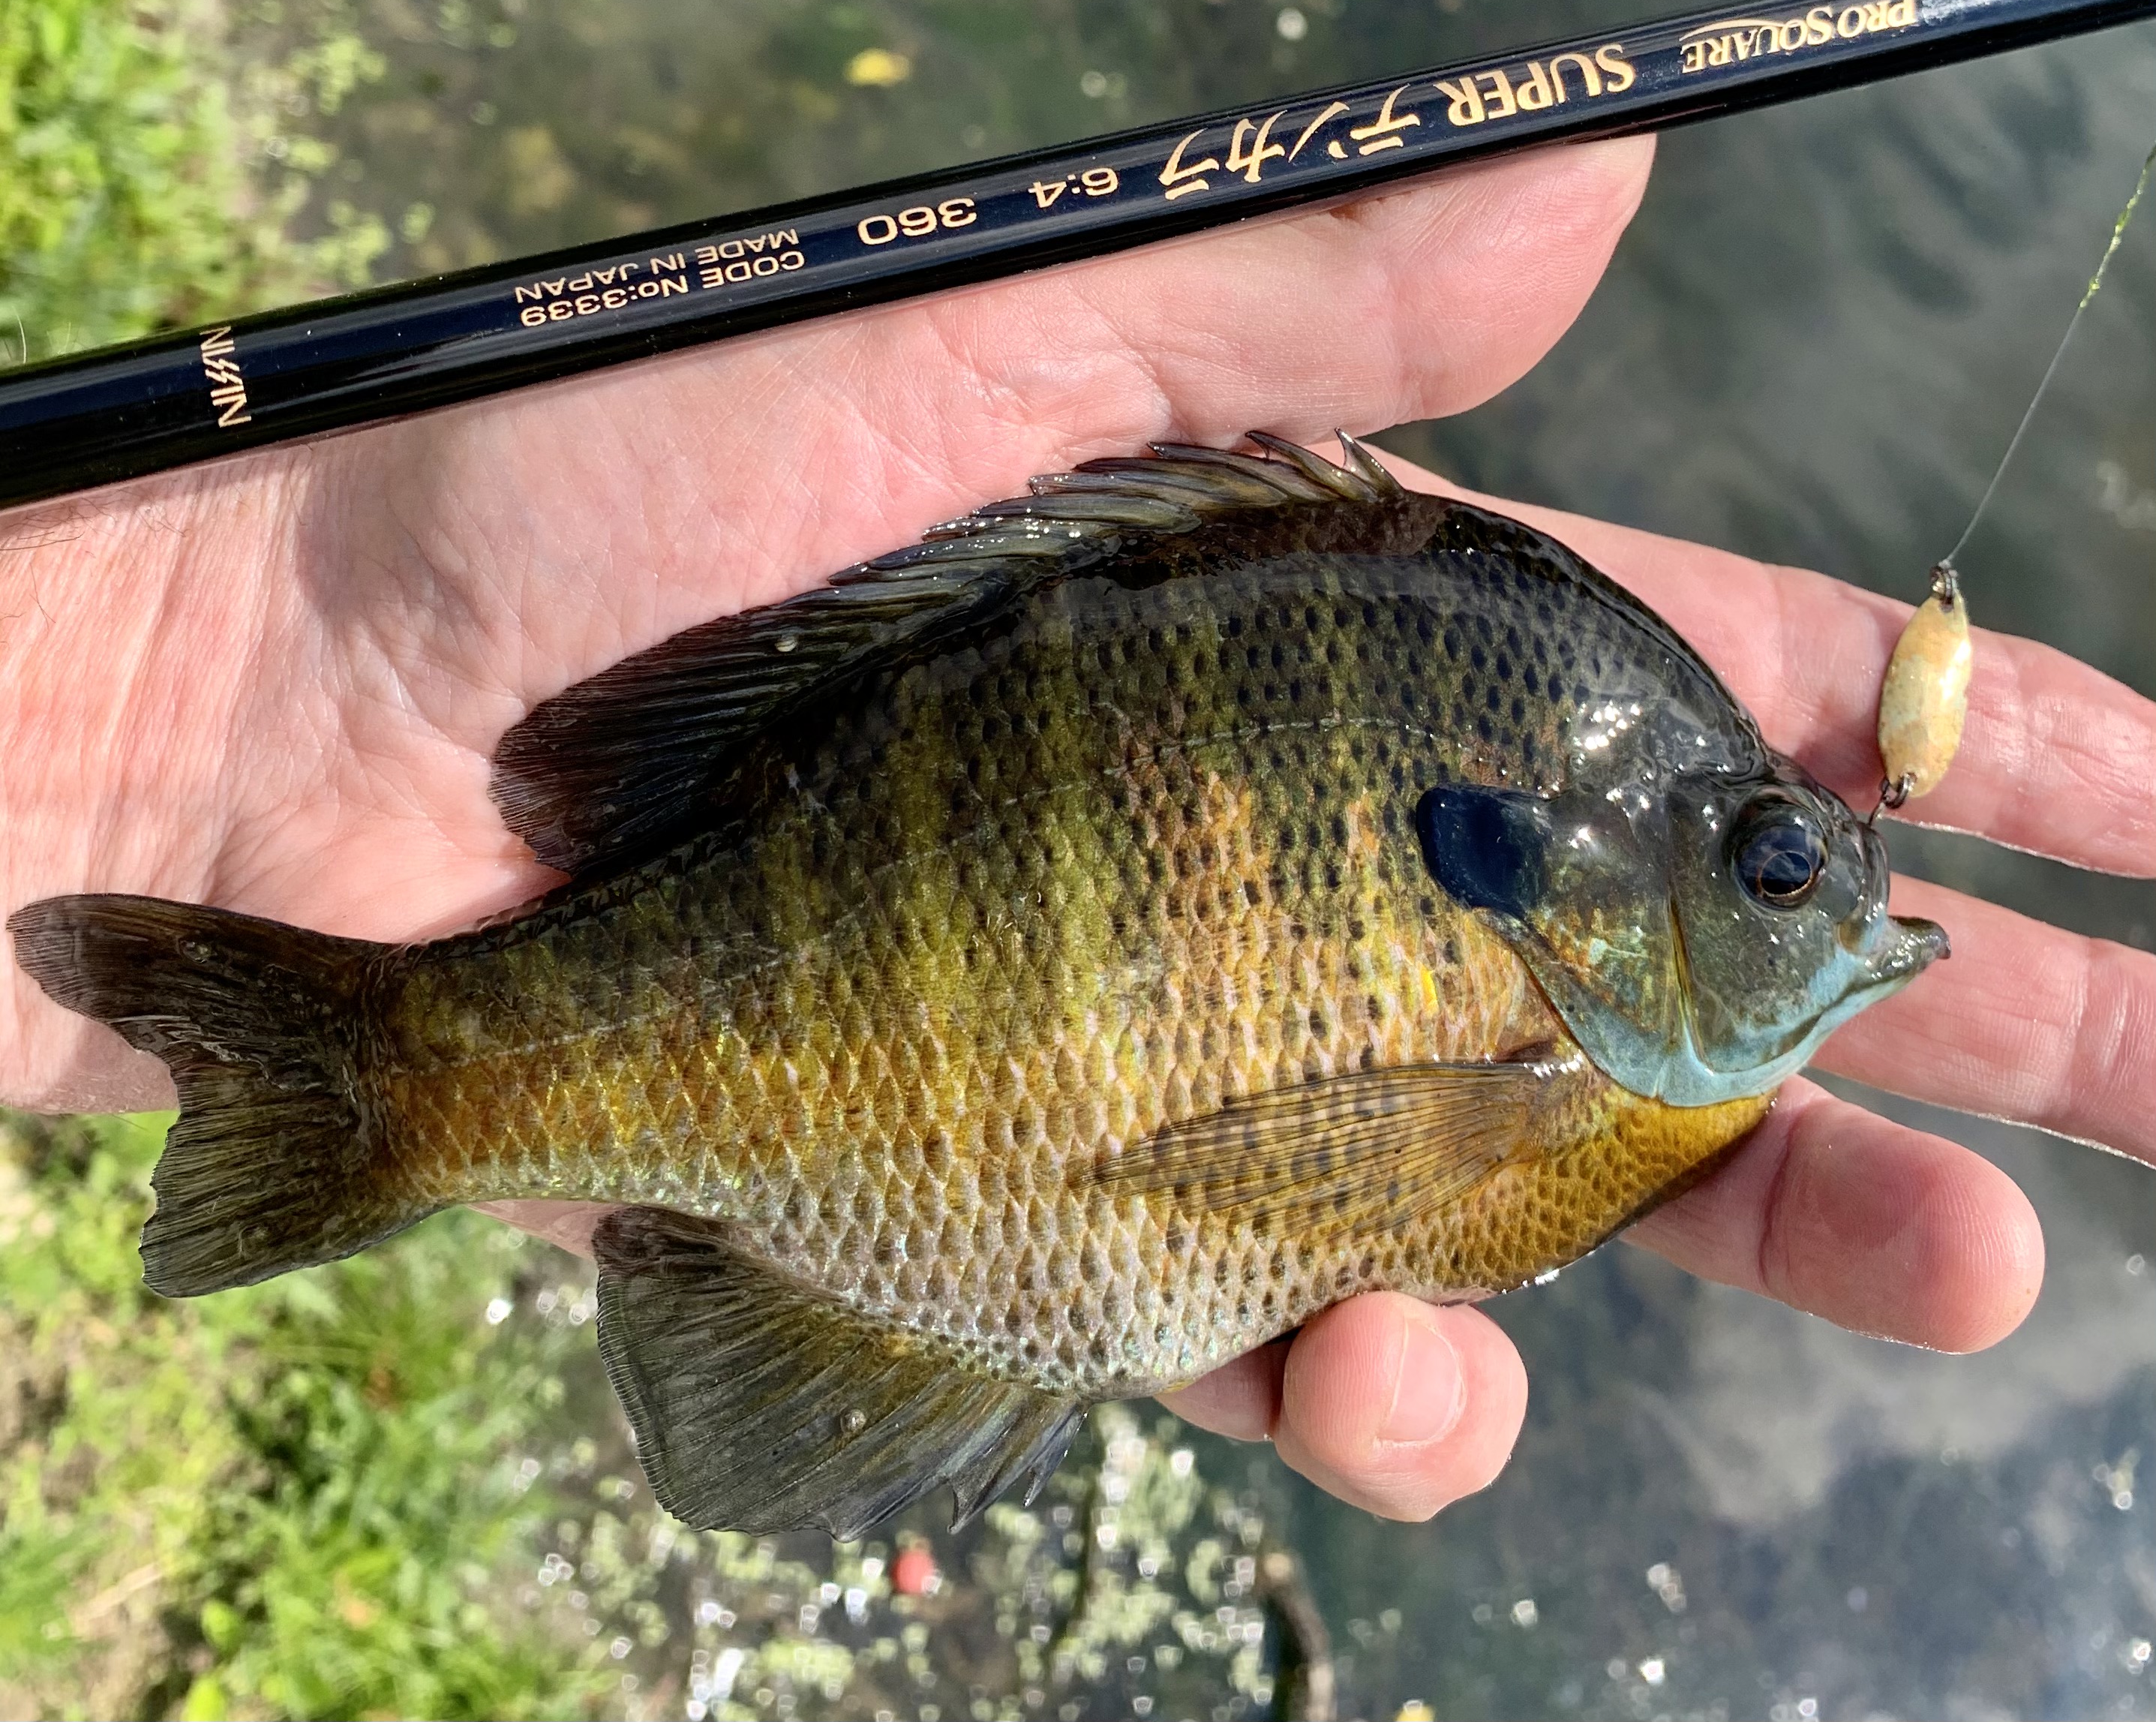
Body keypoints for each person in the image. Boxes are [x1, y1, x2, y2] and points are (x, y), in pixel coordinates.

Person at [4, 137, 2152, 1525]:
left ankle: (380, 1083)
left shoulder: (1587, 1054)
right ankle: (390, 1081)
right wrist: (231, 625)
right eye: (1763, 864)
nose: (1816, 894)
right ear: (1594, 871)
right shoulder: (1576, 1087)